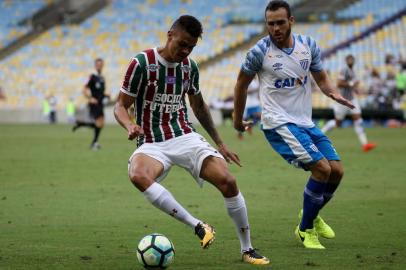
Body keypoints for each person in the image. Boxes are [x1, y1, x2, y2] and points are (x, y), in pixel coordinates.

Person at [114, 15, 269, 264]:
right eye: (182, 44)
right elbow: (120, 105)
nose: (185, 51)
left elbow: (198, 106)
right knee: (138, 175)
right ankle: (198, 225)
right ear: (170, 35)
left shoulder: (189, 67)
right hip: (152, 141)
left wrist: (220, 143)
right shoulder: (142, 63)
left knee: (228, 181)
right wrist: (128, 124)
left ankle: (247, 249)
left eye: (191, 47)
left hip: (184, 135)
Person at [233, 0, 355, 249]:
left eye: (280, 22)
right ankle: (306, 230)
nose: (275, 28)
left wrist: (332, 93)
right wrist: (237, 119)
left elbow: (321, 77)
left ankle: (310, 215)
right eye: (270, 24)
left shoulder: (308, 45)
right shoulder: (259, 52)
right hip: (278, 123)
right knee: (322, 169)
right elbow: (241, 84)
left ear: (291, 21)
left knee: (337, 171)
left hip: (304, 121)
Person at [321, 54, 376, 152]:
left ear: (354, 61)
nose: (350, 61)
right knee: (338, 123)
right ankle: (320, 134)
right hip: (342, 100)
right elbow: (339, 83)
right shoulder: (344, 70)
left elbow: (352, 86)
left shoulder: (352, 72)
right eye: (349, 59)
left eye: (352, 59)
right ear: (346, 60)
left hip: (352, 99)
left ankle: (365, 144)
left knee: (358, 121)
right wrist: (351, 84)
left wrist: (356, 89)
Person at [73, 58, 110, 150]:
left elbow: (100, 92)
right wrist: (90, 98)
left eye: (101, 64)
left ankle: (81, 124)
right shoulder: (92, 76)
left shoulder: (102, 78)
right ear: (95, 65)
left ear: (103, 65)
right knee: (99, 123)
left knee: (101, 124)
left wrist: (106, 96)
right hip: (95, 103)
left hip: (100, 103)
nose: (99, 66)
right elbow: (84, 89)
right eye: (98, 64)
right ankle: (94, 143)